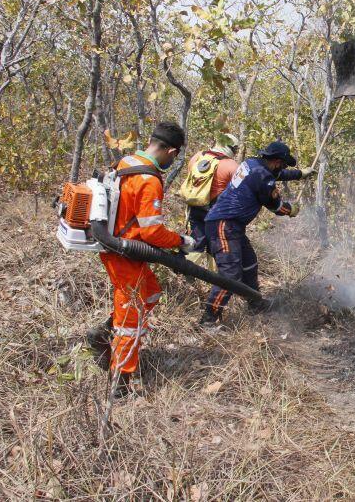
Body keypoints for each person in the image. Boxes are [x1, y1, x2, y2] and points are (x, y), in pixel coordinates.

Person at [86, 122, 195, 397]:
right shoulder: (148, 179)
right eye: (174, 156)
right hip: (123, 254)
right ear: (171, 150)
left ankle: (103, 333)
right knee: (130, 321)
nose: (173, 160)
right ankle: (120, 383)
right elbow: (153, 232)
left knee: (151, 293)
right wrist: (182, 241)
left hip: (122, 250)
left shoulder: (127, 161)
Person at [199, 141, 315, 326]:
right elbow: (276, 207)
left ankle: (255, 304)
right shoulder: (262, 176)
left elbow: (277, 174)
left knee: (249, 264)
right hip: (223, 225)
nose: (283, 167)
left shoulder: (253, 163)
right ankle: (208, 320)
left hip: (232, 226)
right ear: (276, 161)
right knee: (229, 276)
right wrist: (290, 210)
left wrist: (300, 174)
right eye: (284, 164)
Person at [181, 133, 240, 263]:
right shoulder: (231, 165)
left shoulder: (198, 156)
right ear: (231, 148)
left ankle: (185, 269)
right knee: (216, 244)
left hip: (195, 206)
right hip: (216, 212)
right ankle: (215, 278)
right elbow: (239, 191)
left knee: (196, 240)